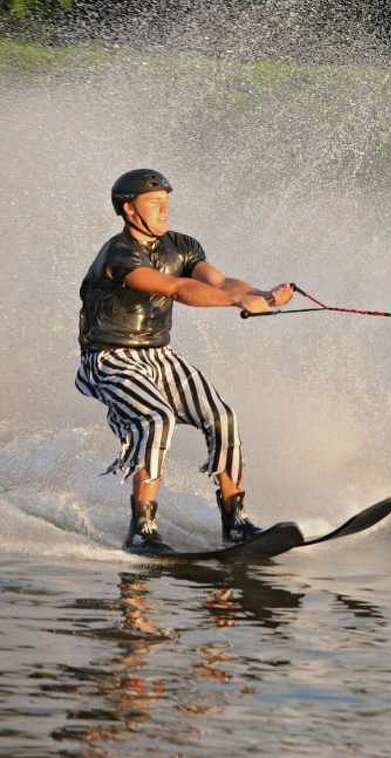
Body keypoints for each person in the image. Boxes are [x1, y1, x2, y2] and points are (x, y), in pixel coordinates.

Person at [75, 169, 294, 554]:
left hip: (159, 355)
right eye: (155, 204)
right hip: (109, 358)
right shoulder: (119, 255)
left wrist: (264, 296)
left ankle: (235, 522)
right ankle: (142, 529)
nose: (164, 211)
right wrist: (239, 302)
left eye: (167, 203)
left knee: (221, 416)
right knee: (155, 418)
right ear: (129, 209)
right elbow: (176, 288)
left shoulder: (182, 246)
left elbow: (220, 283)